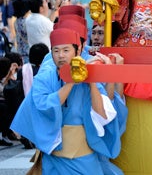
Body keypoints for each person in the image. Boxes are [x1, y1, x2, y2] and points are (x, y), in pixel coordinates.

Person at [10, 29, 127, 174]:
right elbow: (44, 106)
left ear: (77, 51)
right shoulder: (44, 77)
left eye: (66, 50)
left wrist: (91, 83)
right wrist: (71, 82)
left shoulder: (88, 74)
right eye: (56, 51)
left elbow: (103, 115)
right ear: (50, 53)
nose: (61, 56)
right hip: (55, 159)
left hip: (84, 158)